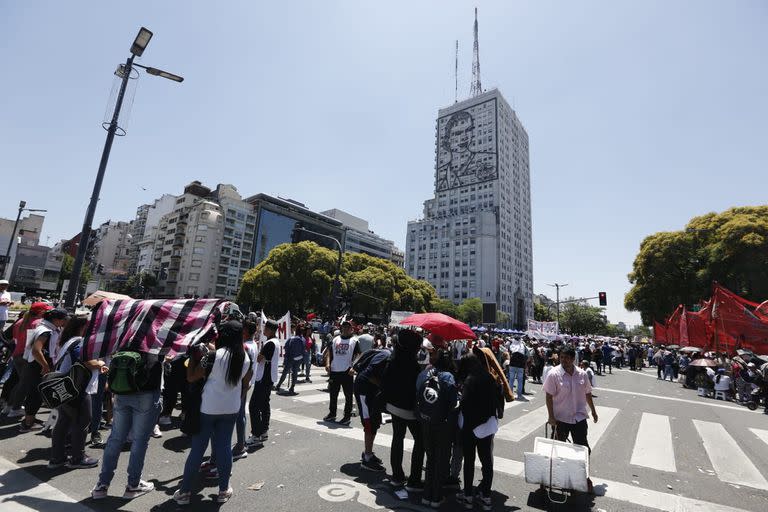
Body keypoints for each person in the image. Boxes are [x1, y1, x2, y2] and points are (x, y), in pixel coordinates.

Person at [173, 320, 252, 505]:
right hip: (231, 408)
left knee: (198, 449)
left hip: (208, 407)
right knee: (224, 447)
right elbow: (246, 384)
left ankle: (184, 492)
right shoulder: (245, 357)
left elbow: (192, 377)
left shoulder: (214, 356)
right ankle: (223, 490)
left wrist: (193, 357)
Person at [91, 346, 165, 499]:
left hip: (122, 392)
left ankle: (102, 485)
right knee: (139, 440)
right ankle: (133, 485)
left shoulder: (126, 337)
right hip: (146, 394)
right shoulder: (155, 342)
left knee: (115, 438)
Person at [49, 316, 106, 469]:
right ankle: (78, 458)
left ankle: (57, 458)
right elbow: (85, 361)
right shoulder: (79, 342)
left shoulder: (68, 340)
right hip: (77, 389)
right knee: (82, 422)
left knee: (63, 422)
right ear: (83, 327)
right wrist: (101, 363)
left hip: (63, 387)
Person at [543, 346, 598, 494]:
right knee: (558, 449)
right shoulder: (554, 374)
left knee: (583, 450)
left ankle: (583, 477)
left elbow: (587, 393)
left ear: (573, 359)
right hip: (560, 419)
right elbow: (548, 396)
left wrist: (593, 411)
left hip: (579, 418)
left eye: (567, 358)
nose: (564, 360)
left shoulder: (582, 374)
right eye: (561, 357)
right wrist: (551, 416)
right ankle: (559, 476)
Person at [381, 330, 424, 490]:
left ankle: (397, 476)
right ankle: (414, 479)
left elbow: (384, 382)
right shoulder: (414, 365)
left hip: (393, 406)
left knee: (397, 438)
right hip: (410, 409)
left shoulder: (393, 359)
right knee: (420, 441)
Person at [457, 350, 499, 511]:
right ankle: (486, 496)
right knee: (486, 461)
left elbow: (465, 404)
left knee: (469, 461)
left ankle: (468, 495)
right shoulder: (489, 377)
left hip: (471, 426)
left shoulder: (470, 379)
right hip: (487, 425)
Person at [417, 347, 457, 508]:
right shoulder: (448, 377)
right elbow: (453, 404)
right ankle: (436, 496)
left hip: (427, 421)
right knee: (440, 461)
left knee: (431, 458)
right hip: (442, 424)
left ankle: (427, 495)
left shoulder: (430, 374)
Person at [18, 308, 69, 432]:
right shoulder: (46, 331)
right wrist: (45, 366)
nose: (65, 322)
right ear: (56, 319)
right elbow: (36, 350)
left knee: (35, 393)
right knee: (35, 394)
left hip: (35, 365)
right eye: (64, 319)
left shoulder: (44, 327)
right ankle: (28, 424)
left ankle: (30, 419)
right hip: (38, 367)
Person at [1, 301, 51, 417]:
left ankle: (9, 407)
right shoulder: (39, 323)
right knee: (23, 384)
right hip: (27, 357)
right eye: (46, 310)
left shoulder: (20, 321)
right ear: (41, 312)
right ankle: (15, 408)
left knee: (20, 382)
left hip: (17, 355)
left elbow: (14, 338)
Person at [353, 345, 391, 471]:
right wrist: (383, 386)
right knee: (369, 422)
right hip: (364, 390)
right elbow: (368, 373)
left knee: (374, 421)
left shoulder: (386, 354)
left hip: (370, 390)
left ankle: (368, 452)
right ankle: (367, 458)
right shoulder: (386, 355)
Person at [247, 319, 279, 448]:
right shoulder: (275, 342)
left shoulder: (270, 343)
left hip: (263, 378)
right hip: (269, 377)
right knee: (264, 405)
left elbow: (259, 358)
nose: (263, 330)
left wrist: (258, 351)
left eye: (265, 328)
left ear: (270, 330)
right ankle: (263, 431)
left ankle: (256, 434)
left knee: (254, 406)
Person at [324, 320, 360, 425]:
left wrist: (354, 367)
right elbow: (329, 352)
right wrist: (327, 364)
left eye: (348, 327)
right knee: (333, 394)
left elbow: (359, 355)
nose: (345, 328)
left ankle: (347, 416)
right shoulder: (336, 339)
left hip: (347, 371)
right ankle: (332, 413)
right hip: (335, 370)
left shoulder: (354, 341)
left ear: (351, 329)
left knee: (348, 396)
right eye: (344, 326)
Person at [275, 324, 305, 394]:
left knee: (285, 372)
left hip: (290, 358)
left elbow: (286, 347)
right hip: (298, 358)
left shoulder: (291, 338)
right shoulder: (303, 339)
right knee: (295, 373)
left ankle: (278, 385)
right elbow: (303, 350)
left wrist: (287, 357)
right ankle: (292, 387)